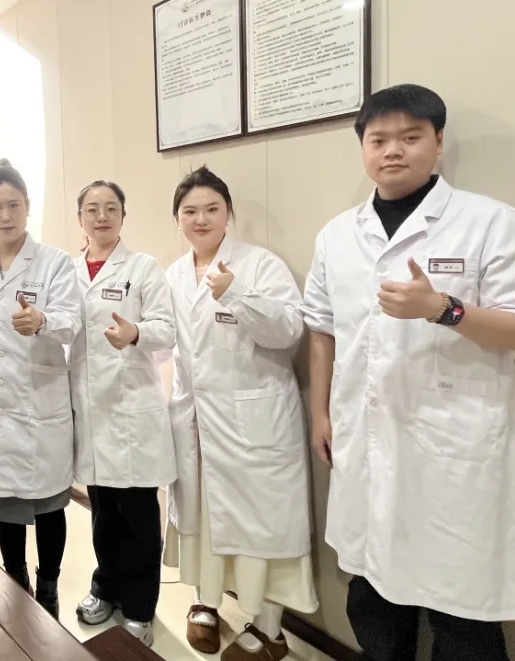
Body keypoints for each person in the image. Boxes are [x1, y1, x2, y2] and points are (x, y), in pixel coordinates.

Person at [302, 84, 515, 661]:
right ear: (363, 148)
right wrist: (319, 412)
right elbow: (321, 327)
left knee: (462, 611)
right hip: (364, 438)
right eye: (378, 139)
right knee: (371, 595)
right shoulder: (337, 235)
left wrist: (444, 309)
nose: (393, 150)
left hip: (454, 450)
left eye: (410, 136)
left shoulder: (491, 223)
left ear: (438, 142)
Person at [163, 166, 317, 660]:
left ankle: (269, 629)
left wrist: (234, 293)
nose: (201, 219)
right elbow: (165, 340)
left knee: (262, 526)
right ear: (177, 219)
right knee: (203, 518)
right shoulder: (172, 274)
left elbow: (289, 331)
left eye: (212, 208)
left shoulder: (260, 265)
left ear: (229, 213)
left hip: (254, 422)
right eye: (190, 211)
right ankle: (205, 603)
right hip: (196, 422)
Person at [0, 159, 82, 619]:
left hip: (39, 401)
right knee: (3, 502)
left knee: (49, 504)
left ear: (28, 207)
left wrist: (42, 320)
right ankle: (16, 580)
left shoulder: (54, 262)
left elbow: (73, 320)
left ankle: (48, 587)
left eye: (13, 205)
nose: (5, 215)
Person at [69, 180, 176, 646]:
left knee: (138, 517)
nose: (101, 217)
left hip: (132, 409)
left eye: (111, 208)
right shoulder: (68, 271)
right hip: (91, 411)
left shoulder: (143, 268)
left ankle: (139, 608)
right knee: (102, 512)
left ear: (123, 217)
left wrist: (136, 333)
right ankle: (105, 588)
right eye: (92, 209)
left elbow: (167, 330)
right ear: (80, 218)